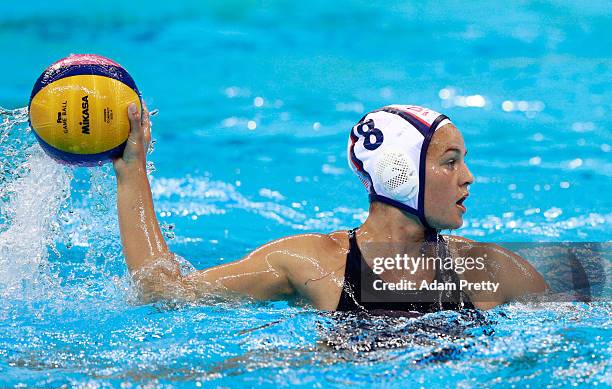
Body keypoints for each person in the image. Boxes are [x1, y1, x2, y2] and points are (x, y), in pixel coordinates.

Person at [113, 103, 547, 313]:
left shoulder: (495, 269)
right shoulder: (311, 262)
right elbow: (162, 291)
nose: (468, 176)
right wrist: (132, 171)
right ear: (400, 172)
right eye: (450, 161)